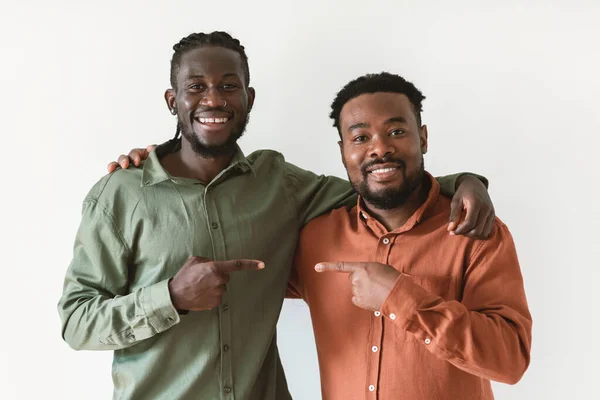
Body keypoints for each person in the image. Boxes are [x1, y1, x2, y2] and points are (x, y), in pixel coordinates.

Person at [59, 31, 494, 400]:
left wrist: (465, 181)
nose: (213, 98)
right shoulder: (120, 194)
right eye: (196, 87)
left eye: (229, 86)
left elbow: (376, 184)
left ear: (248, 98)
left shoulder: (279, 183)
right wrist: (170, 297)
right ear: (173, 100)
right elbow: (77, 322)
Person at [288, 72, 532, 399]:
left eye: (397, 131)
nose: (380, 149)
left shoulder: (475, 231)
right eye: (360, 138)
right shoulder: (314, 240)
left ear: (423, 138)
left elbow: (510, 360)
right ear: (343, 150)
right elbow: (246, 295)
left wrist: (402, 298)